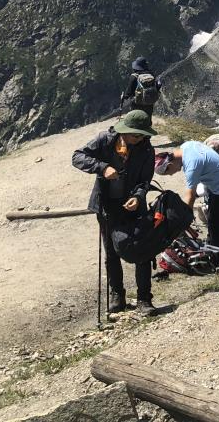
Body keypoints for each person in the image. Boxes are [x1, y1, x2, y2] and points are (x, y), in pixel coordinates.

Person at [72, 109, 158, 317]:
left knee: (142, 249)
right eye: (136, 135)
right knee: (111, 252)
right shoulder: (105, 140)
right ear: (125, 131)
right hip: (106, 205)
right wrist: (102, 167)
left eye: (142, 136)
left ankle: (144, 299)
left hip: (133, 205)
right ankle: (117, 295)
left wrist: (138, 197)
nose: (139, 139)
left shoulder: (147, 149)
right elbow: (78, 156)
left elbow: (145, 180)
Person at [153, 141, 219, 267]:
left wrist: (184, 220)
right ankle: (211, 245)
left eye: (168, 172)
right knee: (212, 217)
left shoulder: (191, 166)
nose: (171, 175)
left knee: (215, 223)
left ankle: (217, 261)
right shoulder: (186, 146)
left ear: (170, 165)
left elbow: (190, 196)